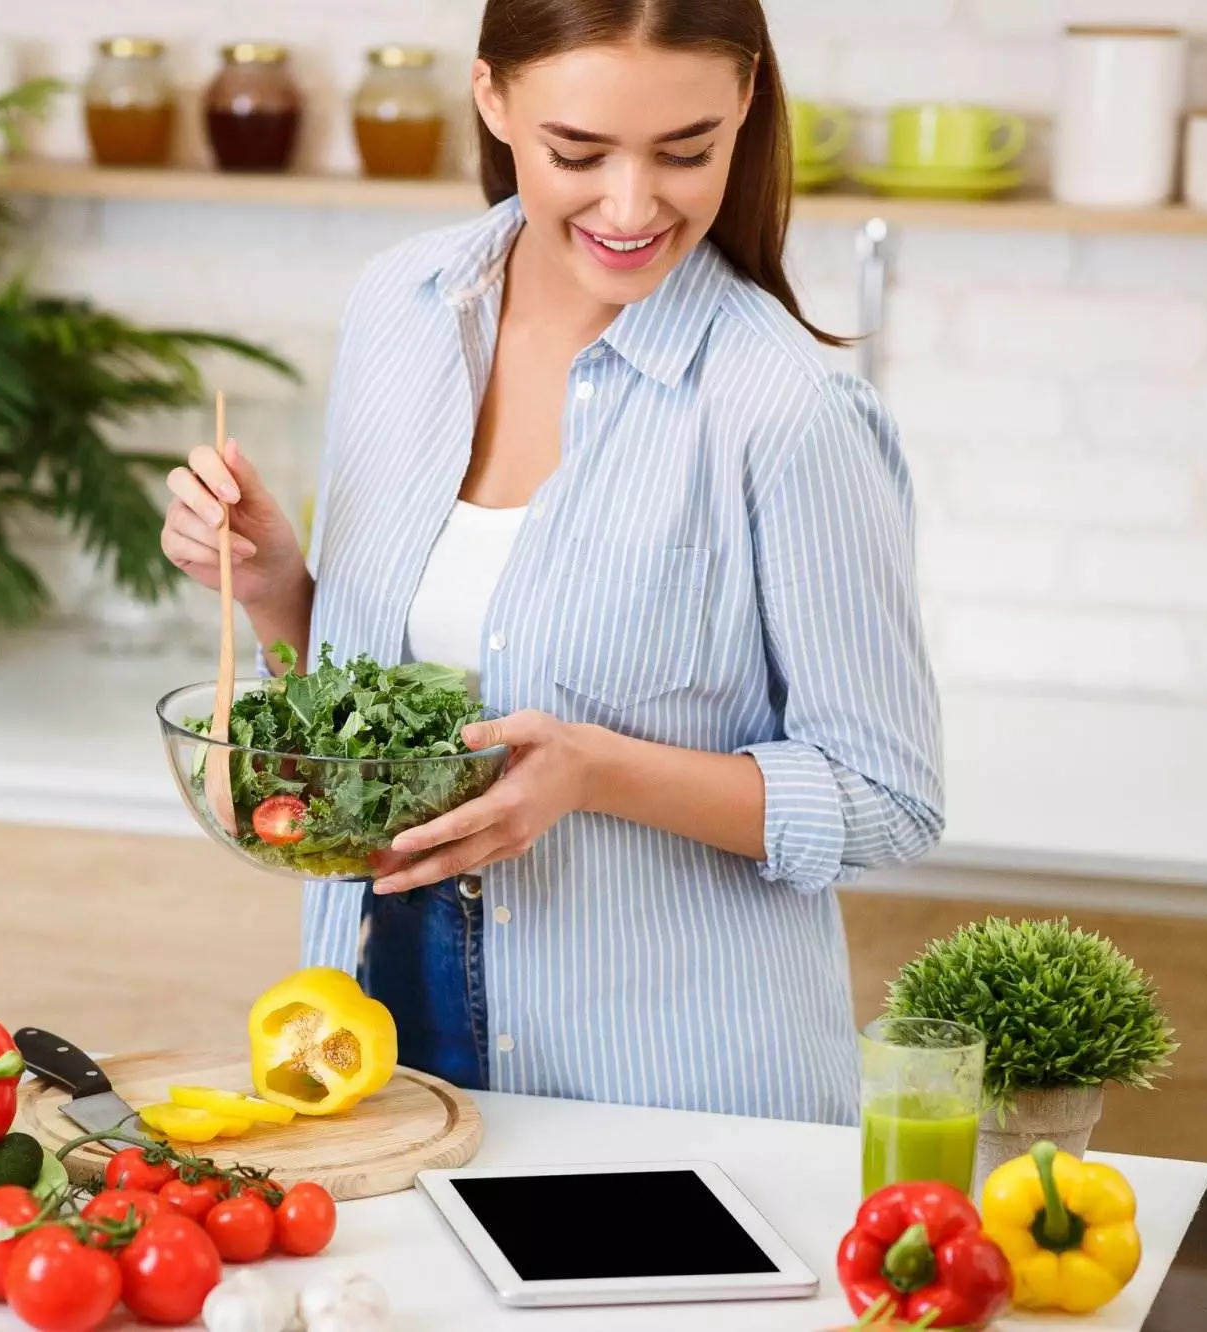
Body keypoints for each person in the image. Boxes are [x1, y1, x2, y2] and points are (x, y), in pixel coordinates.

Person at [160, 0, 941, 1127]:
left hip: (669, 1092)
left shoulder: (785, 410)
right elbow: (371, 726)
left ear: (746, 113)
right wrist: (281, 589)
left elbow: (889, 800)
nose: (631, 207)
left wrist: (594, 770)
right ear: (491, 100)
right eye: (577, 153)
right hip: (377, 1042)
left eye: (687, 151)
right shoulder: (401, 308)